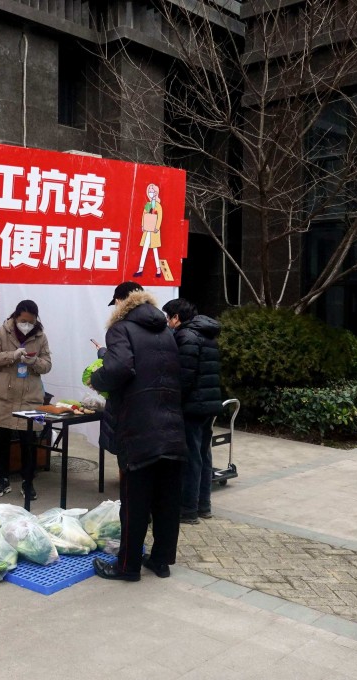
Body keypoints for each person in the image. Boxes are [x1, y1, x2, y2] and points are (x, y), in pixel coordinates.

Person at [89, 281, 185, 581]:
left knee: (135, 501)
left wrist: (98, 379)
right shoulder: (166, 331)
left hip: (139, 427)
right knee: (167, 501)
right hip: (171, 425)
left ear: (121, 301)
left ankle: (128, 566)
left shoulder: (121, 328)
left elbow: (119, 368)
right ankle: (161, 561)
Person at [0, 300, 53, 501]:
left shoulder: (41, 336)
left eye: (31, 322)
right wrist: (12, 356)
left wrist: (35, 362)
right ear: (16, 316)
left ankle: (28, 482)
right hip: (2, 395)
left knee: (29, 441)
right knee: (1, 439)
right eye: (23, 320)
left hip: (30, 396)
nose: (27, 324)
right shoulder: (2, 332)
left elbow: (48, 365)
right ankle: (2, 479)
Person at [162, 298, 223, 524]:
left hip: (192, 406)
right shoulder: (206, 334)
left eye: (169, 317)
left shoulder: (186, 336)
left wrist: (173, 401)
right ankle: (203, 505)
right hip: (208, 404)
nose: (167, 322)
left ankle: (188, 510)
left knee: (191, 457)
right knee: (204, 454)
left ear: (176, 317)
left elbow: (184, 377)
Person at [133, 183, 163, 278]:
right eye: (149, 191)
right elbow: (144, 214)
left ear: (156, 192)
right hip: (147, 230)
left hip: (154, 231)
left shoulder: (158, 205)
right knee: (145, 248)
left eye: (152, 191)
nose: (151, 193)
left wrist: (157, 228)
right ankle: (140, 269)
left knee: (155, 249)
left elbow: (160, 217)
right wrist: (143, 225)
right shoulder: (148, 204)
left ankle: (158, 269)